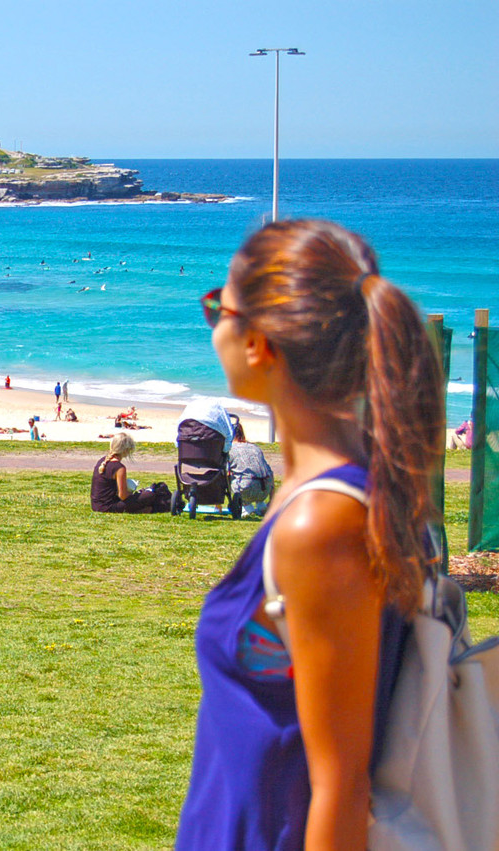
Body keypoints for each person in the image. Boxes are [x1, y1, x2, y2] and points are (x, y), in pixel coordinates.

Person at [176, 220, 441, 851]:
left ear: (258, 342)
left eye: (217, 306)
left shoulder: (320, 523)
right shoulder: (334, 491)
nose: (211, 323)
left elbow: (340, 786)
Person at [90, 433, 157, 513]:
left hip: (96, 505)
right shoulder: (119, 468)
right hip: (109, 507)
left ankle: (143, 509)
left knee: (142, 496)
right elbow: (123, 496)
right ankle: (143, 509)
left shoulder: (103, 461)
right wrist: (132, 494)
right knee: (149, 495)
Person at [228, 422, 275, 514]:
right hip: (265, 488)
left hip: (246, 488)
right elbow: (270, 472)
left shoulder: (230, 449)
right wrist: (272, 499)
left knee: (230, 475)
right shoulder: (255, 447)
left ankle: (247, 507)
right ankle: (261, 504)